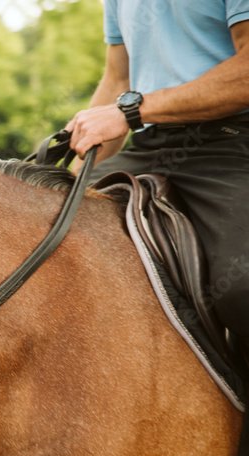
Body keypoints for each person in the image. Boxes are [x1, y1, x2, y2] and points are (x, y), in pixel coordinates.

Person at [66, 0, 249, 364]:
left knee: (240, 287)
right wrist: (70, 176)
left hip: (234, 142)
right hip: (149, 142)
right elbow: (119, 79)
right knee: (46, 232)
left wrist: (134, 110)